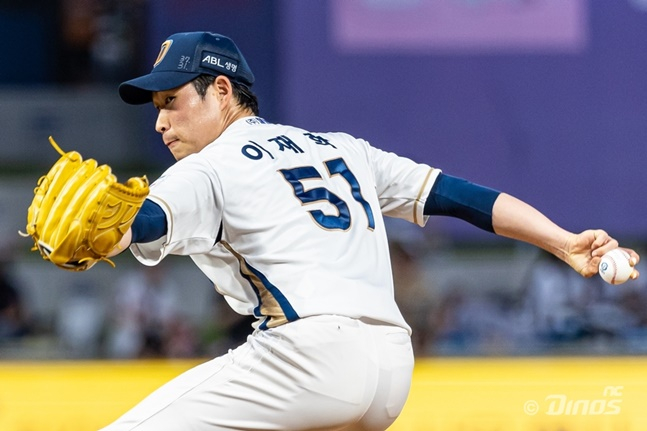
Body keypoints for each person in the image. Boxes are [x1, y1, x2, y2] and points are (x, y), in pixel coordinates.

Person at [100, 31, 640, 431]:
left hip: (305, 359)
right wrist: (563, 242)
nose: (160, 121)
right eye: (157, 108)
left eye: (171, 101)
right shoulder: (342, 148)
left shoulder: (207, 167)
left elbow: (140, 223)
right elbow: (459, 197)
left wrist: (98, 232)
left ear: (222, 89)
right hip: (391, 367)